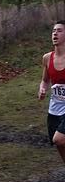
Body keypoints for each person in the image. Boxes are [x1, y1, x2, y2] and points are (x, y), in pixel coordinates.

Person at [38, 19, 65, 166]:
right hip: (55, 108)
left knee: (58, 138)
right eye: (54, 31)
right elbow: (45, 80)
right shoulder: (47, 58)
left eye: (59, 31)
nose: (55, 33)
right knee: (59, 144)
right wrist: (42, 88)